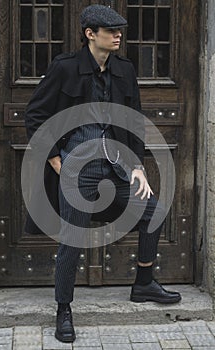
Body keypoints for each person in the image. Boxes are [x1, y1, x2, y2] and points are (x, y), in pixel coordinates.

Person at [25, 4, 181, 344]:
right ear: (90, 34)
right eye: (110, 31)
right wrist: (55, 160)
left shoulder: (124, 69)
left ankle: (143, 283)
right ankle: (63, 308)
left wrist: (138, 166)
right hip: (75, 168)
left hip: (116, 166)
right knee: (73, 238)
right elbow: (35, 116)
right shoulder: (64, 68)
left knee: (153, 210)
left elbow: (135, 120)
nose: (118, 35)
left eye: (119, 30)